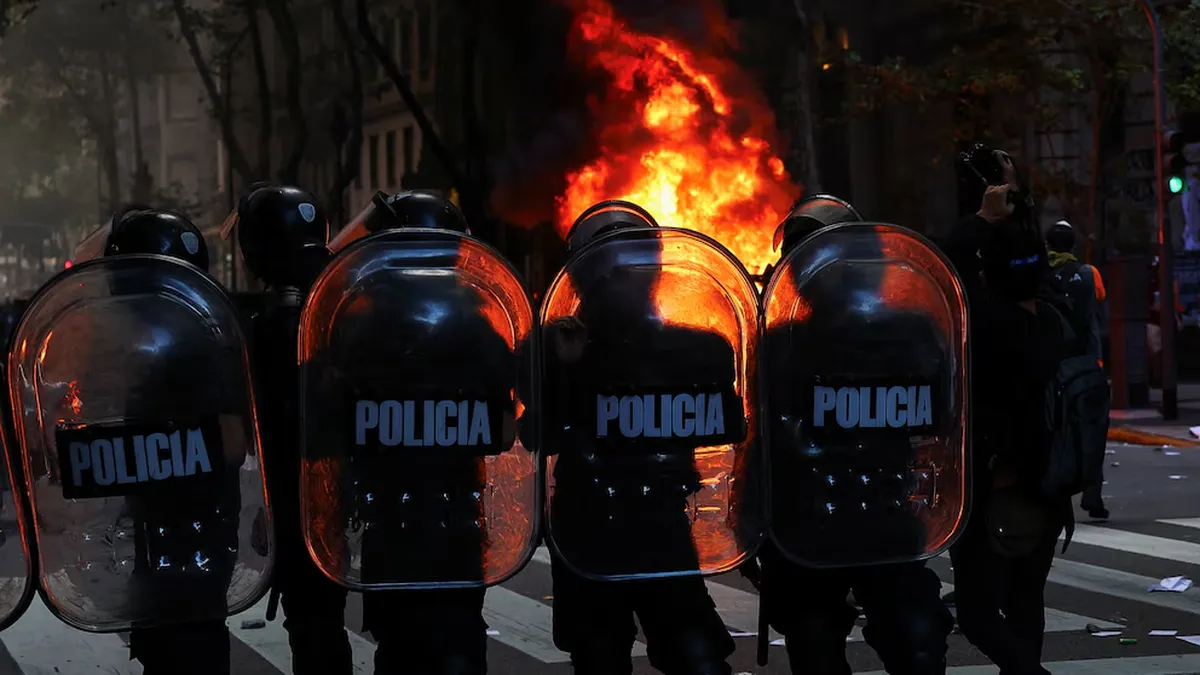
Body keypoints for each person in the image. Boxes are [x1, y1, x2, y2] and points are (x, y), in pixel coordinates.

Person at [313, 189, 526, 675]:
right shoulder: (480, 326)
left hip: (389, 522)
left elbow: (330, 427)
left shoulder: (353, 327)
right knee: (458, 647)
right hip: (456, 522)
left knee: (399, 651)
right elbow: (501, 432)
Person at [754, 195, 956, 675]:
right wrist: (750, 527)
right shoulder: (777, 339)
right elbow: (758, 440)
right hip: (804, 521)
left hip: (884, 509)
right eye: (802, 258)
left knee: (917, 641)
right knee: (814, 644)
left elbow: (945, 418)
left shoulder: (909, 332)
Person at [543, 200, 744, 675]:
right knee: (600, 658)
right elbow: (538, 437)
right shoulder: (555, 346)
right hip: (585, 527)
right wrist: (564, 371)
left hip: (663, 523)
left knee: (696, 657)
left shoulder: (699, 347)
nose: (621, 280)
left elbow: (731, 428)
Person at [101, 208, 241, 675]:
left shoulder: (194, 345)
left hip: (191, 535)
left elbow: (230, 442)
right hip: (166, 534)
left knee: (189, 648)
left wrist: (141, 455)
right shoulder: (161, 340)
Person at [226, 185, 355, 675]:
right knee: (325, 621)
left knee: (314, 625)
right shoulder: (343, 317)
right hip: (343, 492)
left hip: (295, 497)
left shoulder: (264, 332)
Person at [949, 219, 1073, 675]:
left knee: (977, 614)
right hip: (1050, 485)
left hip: (999, 486)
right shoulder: (1054, 321)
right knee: (1025, 600)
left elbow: (949, 271)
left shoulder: (989, 325)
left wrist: (980, 218)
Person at [1045, 220, 1109, 520]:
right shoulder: (1087, 274)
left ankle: (1053, 487)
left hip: (1050, 364)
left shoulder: (1038, 274)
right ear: (1072, 245)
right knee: (1092, 428)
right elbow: (1098, 310)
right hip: (1084, 365)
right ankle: (1092, 493)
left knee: (1054, 428)